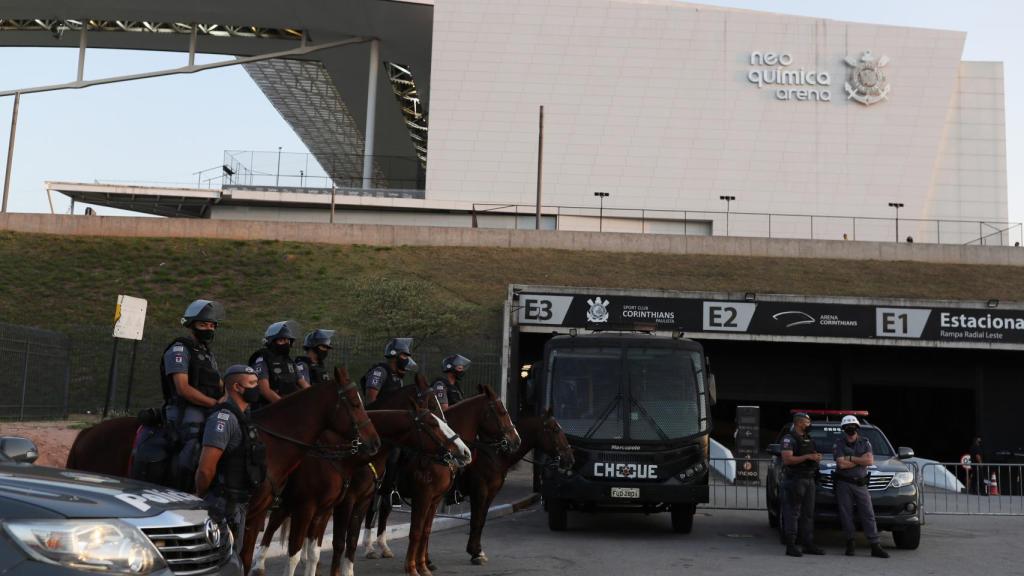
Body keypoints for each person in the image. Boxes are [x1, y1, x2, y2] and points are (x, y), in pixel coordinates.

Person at [194, 365, 267, 555]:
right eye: (251, 384)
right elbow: (205, 469)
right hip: (222, 504)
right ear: (237, 387)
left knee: (232, 557)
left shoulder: (244, 418)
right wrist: (201, 497)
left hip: (239, 504)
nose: (256, 388)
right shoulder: (224, 418)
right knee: (218, 559)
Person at [160, 299, 225, 492]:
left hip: (210, 408)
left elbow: (219, 383)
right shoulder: (179, 349)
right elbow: (182, 388)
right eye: (203, 324)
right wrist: (214, 403)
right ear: (191, 325)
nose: (208, 328)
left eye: (212, 325)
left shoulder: (207, 354)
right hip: (185, 410)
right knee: (194, 444)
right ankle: (182, 490)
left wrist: (228, 401)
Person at [833, 415, 889, 558]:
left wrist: (850, 458)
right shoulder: (839, 443)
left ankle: (875, 546)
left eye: (853, 426)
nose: (850, 429)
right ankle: (850, 543)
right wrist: (860, 460)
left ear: (857, 428)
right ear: (843, 429)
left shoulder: (865, 442)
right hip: (843, 483)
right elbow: (840, 463)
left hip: (860, 484)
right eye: (847, 427)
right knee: (846, 515)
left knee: (868, 514)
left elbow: (869, 460)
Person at [780, 412, 825, 557]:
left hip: (809, 479)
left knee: (808, 514)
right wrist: (807, 456)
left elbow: (811, 455)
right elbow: (787, 460)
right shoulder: (789, 438)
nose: (809, 425)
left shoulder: (808, 438)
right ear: (799, 423)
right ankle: (791, 546)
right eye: (807, 422)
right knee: (793, 513)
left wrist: (816, 457)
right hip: (795, 479)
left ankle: (807, 544)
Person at [250, 321, 309, 406]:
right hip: (269, 408)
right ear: (271, 342)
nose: (286, 343)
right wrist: (285, 406)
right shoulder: (263, 359)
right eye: (281, 340)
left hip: (290, 405)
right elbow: (264, 390)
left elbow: (304, 384)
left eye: (287, 340)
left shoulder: (289, 361)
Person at [361, 338, 417, 403]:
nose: (407, 360)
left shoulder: (397, 377)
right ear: (394, 356)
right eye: (404, 356)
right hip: (379, 412)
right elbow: (370, 401)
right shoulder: (379, 372)